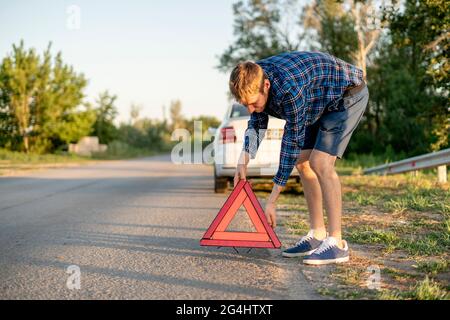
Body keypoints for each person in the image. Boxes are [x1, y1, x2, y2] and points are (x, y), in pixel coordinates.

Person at [229, 51, 369, 265]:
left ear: (266, 86)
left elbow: (291, 143)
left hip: (346, 94)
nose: (250, 109)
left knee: (320, 162)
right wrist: (243, 159)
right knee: (302, 162)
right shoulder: (252, 76)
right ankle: (317, 234)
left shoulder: (289, 89)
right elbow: (257, 122)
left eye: (253, 103)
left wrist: (272, 199)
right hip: (316, 100)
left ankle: (337, 243)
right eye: (244, 104)